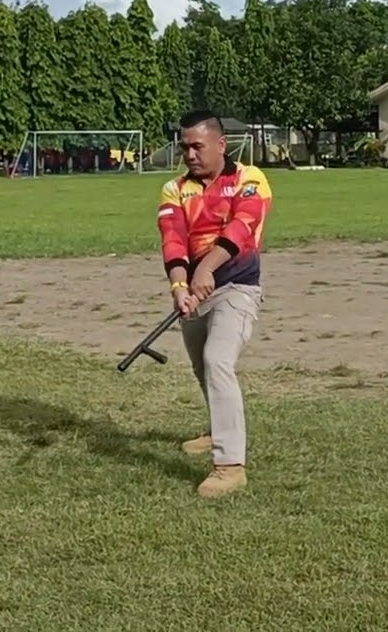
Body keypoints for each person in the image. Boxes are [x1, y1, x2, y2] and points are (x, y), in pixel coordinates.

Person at [156, 110, 272, 498]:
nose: (189, 154)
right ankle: (217, 428)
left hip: (238, 287)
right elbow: (172, 238)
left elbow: (243, 227)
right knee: (202, 367)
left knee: (217, 360)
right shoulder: (174, 189)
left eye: (197, 146)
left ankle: (229, 466)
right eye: (184, 146)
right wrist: (178, 286)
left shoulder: (249, 179)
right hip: (193, 293)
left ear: (221, 144)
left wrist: (205, 269)